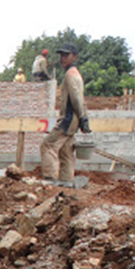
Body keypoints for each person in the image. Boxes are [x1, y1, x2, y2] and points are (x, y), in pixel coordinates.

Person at [40, 42, 92, 183]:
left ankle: (50, 179)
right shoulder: (76, 74)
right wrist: (83, 118)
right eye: (61, 55)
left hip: (67, 120)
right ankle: (67, 182)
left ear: (74, 57)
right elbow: (81, 99)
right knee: (66, 151)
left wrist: (83, 117)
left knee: (47, 145)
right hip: (73, 121)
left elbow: (76, 99)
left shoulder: (71, 75)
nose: (63, 58)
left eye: (66, 55)